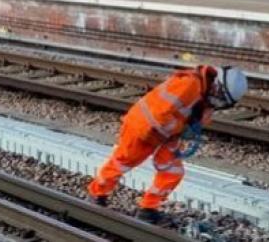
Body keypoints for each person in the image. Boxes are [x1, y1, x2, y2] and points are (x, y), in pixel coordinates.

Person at [87, 65, 247, 224]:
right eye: (220, 96)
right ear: (216, 83)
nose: (218, 101)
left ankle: (148, 209)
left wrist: (192, 125)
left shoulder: (205, 96)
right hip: (142, 127)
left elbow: (188, 118)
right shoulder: (189, 84)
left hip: (167, 133)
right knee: (122, 162)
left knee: (173, 171)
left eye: (223, 102)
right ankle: (97, 194)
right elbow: (160, 115)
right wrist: (183, 128)